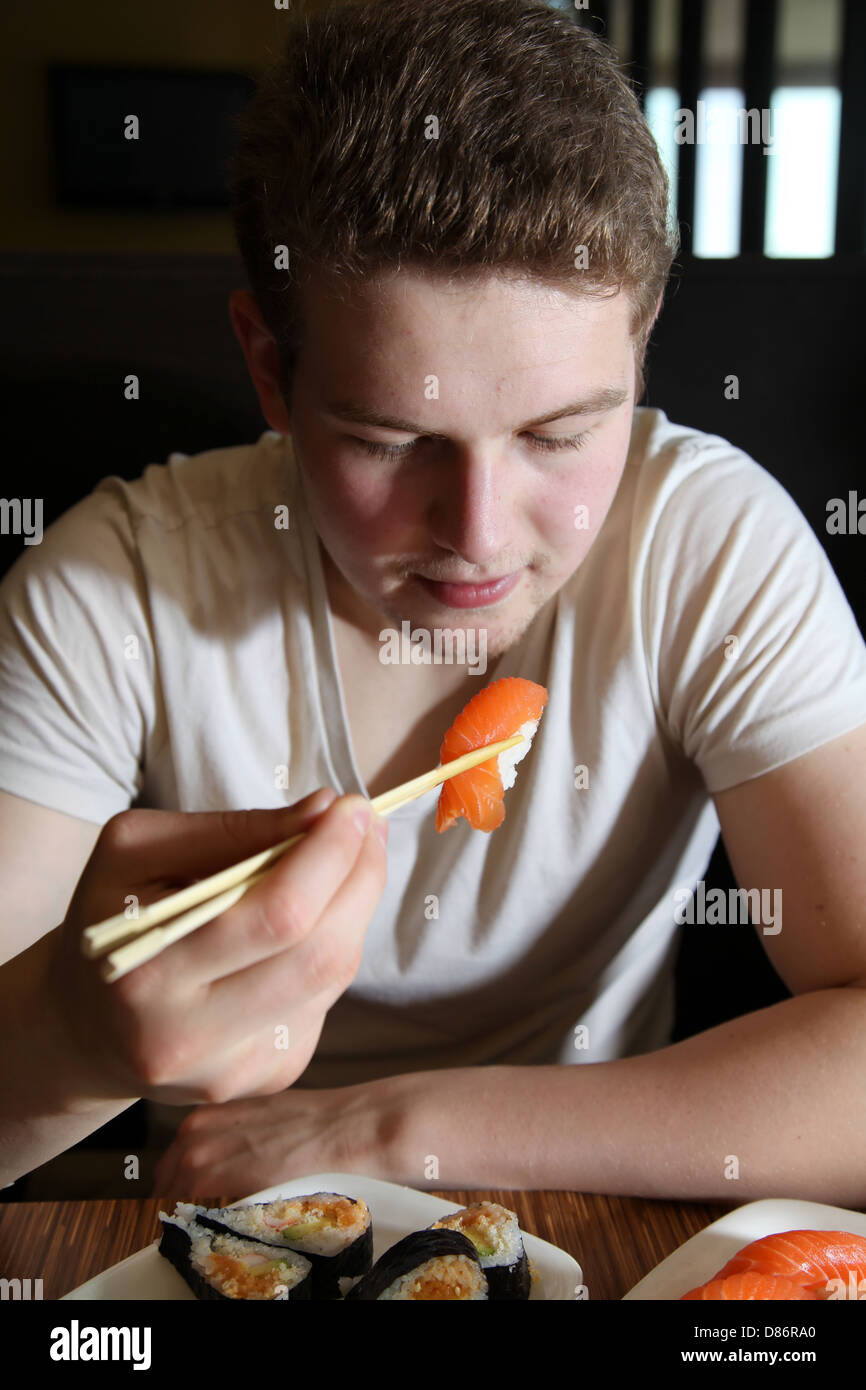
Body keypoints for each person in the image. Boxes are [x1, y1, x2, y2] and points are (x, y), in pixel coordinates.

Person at [2, 0, 866, 1204]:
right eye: (387, 439)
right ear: (271, 372)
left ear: (641, 353)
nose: (478, 534)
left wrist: (388, 1128)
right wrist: (68, 1041)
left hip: (592, 1231)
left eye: (561, 434)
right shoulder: (119, 586)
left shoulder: (708, 546)